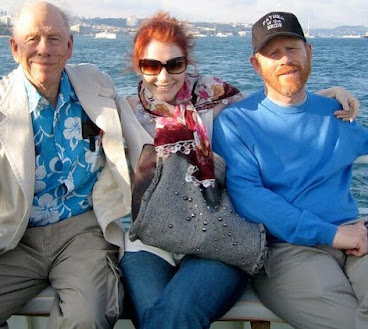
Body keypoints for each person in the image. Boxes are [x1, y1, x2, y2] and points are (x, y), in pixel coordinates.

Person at [117, 11, 359, 329]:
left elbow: (272, 104)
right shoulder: (120, 111)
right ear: (139, 66)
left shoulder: (216, 98)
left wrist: (325, 96)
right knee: (160, 318)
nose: (163, 77)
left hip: (218, 236)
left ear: (187, 62)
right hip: (150, 241)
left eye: (174, 64)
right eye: (151, 66)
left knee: (172, 315)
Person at [0, 1, 130, 329]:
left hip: (82, 231)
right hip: (16, 236)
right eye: (32, 39)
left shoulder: (97, 85)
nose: (44, 49)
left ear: (70, 46)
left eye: (54, 38)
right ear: (14, 48)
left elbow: (148, 109)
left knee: (85, 319)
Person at [213, 11, 368, 329]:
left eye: (292, 49)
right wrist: (333, 234)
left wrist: (347, 232)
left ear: (309, 52)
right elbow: (250, 198)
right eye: (273, 53)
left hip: (356, 236)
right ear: (257, 64)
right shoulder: (237, 122)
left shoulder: (337, 114)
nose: (284, 59)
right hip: (287, 249)